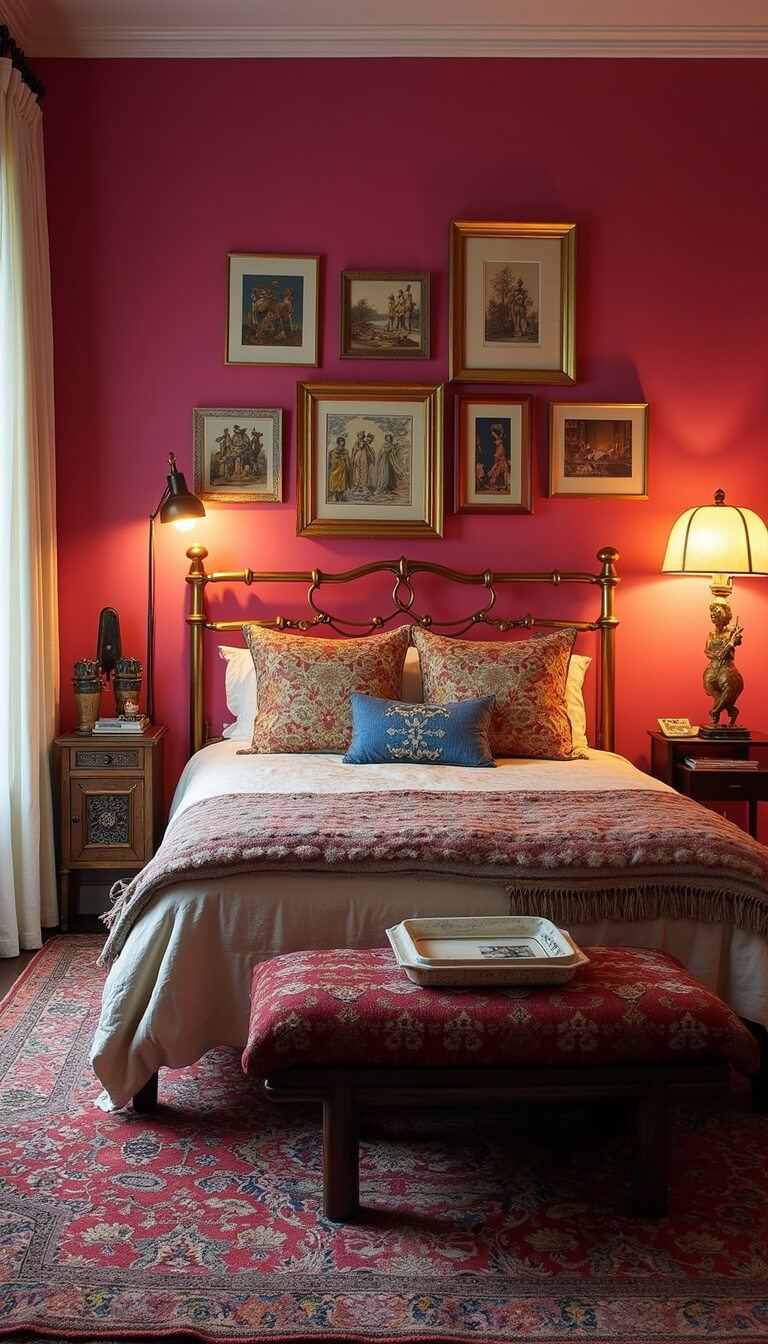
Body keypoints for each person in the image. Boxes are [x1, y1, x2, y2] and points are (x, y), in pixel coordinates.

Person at [703, 599, 744, 726]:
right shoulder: (711, 634)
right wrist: (715, 654)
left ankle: (715, 712)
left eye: (716, 616)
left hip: (726, 668)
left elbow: (737, 642)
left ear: (723, 616)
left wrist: (735, 639)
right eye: (712, 616)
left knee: (729, 685)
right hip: (712, 667)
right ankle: (731, 709)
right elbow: (706, 651)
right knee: (708, 684)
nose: (713, 618)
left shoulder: (731, 633)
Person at [328, 436, 351, 502]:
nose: (342, 442)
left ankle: (341, 496)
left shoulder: (346, 451)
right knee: (335, 482)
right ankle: (335, 496)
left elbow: (347, 460)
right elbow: (332, 460)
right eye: (341, 441)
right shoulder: (333, 451)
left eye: (343, 441)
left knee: (342, 483)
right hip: (335, 469)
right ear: (338, 442)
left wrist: (348, 466)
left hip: (342, 469)